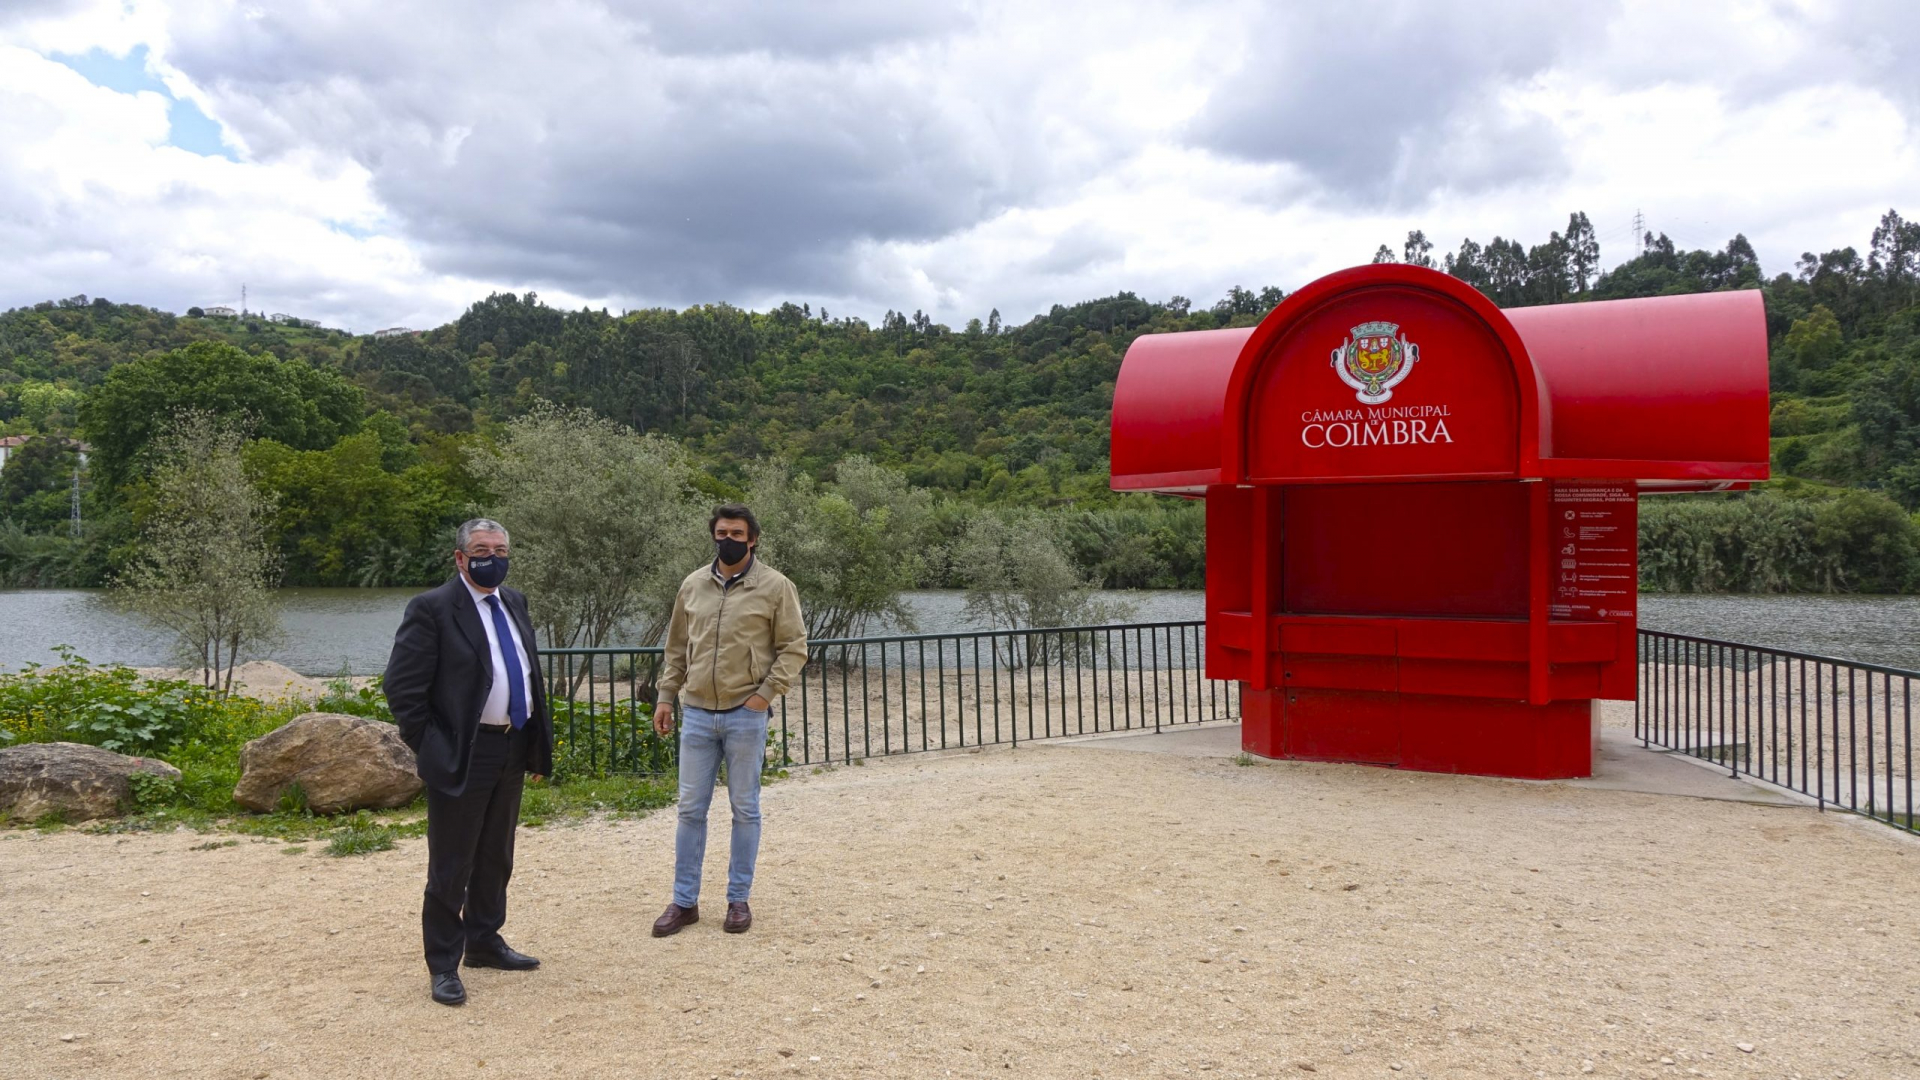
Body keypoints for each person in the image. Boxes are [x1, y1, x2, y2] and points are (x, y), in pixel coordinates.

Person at [383, 518, 553, 1006]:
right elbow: (403, 690)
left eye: (500, 549)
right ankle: (443, 963)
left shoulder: (514, 601)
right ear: (460, 557)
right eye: (481, 549)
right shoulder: (432, 609)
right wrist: (434, 748)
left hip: (513, 745)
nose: (492, 557)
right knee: (451, 862)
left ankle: (483, 940)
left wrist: (536, 744)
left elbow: (526, 675)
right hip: (464, 751)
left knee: (496, 854)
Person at [650, 504, 808, 936]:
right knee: (689, 811)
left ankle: (738, 899)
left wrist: (763, 697)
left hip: (745, 714)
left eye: (737, 533)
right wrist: (667, 696)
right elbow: (677, 648)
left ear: (753, 538)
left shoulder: (776, 587)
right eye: (722, 532)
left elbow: (794, 647)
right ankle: (684, 903)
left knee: (745, 809)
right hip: (697, 713)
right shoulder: (693, 585)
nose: (729, 539)